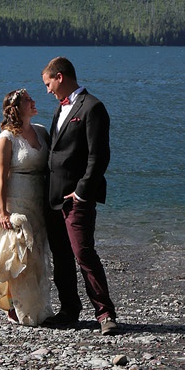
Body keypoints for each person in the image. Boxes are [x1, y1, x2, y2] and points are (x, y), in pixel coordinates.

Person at [42, 56, 118, 334]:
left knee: (83, 254)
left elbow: (99, 156)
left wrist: (83, 192)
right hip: (53, 198)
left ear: (60, 77)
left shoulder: (93, 107)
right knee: (61, 256)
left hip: (77, 199)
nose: (47, 90)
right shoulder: (58, 110)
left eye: (48, 83)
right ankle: (69, 310)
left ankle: (105, 313)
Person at [0, 88, 52, 326]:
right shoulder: (6, 139)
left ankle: (36, 307)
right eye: (28, 100)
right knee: (19, 254)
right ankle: (16, 306)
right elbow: (1, 178)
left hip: (39, 199)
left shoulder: (41, 131)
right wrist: (3, 210)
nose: (34, 102)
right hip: (17, 201)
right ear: (15, 108)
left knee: (38, 255)